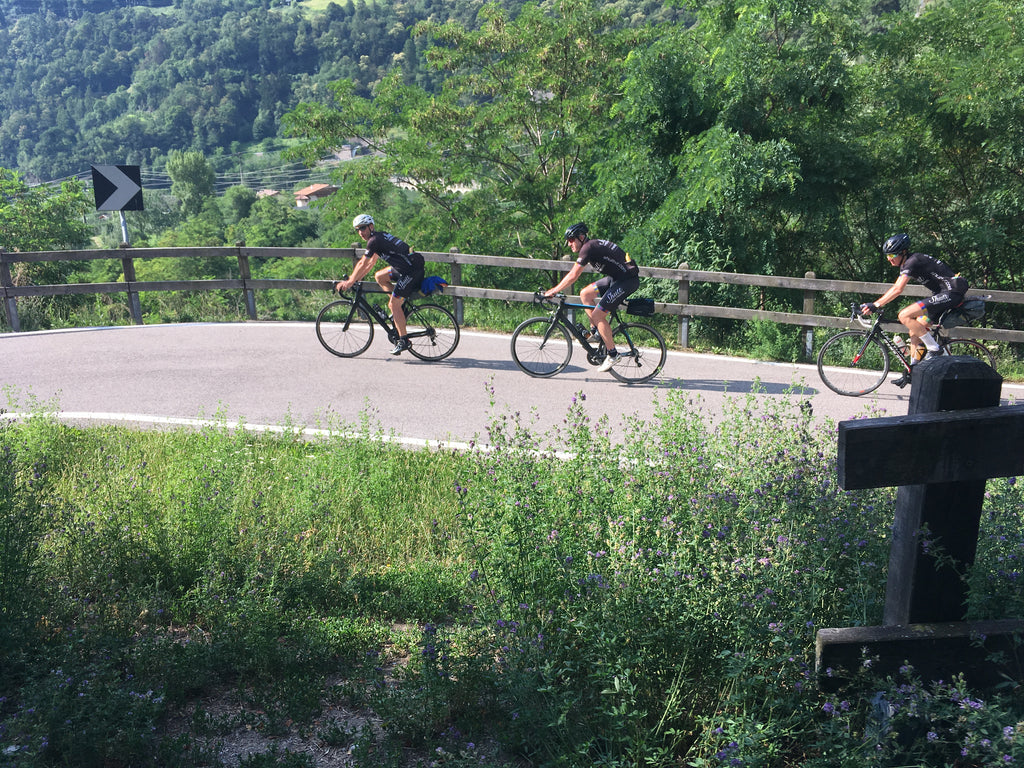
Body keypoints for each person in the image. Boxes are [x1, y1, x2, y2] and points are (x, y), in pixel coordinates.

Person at [860, 232, 969, 381]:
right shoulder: (907, 263)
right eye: (887, 256)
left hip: (951, 292)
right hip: (943, 294)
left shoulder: (913, 261)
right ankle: (913, 371)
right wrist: (877, 303)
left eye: (892, 256)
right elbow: (895, 287)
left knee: (904, 315)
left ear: (903, 252)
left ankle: (934, 349)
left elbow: (898, 289)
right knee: (915, 330)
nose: (889, 259)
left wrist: (876, 304)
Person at [544, 223, 640, 373]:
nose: (569, 244)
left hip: (626, 282)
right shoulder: (590, 246)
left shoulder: (587, 248)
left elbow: (573, 275)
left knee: (597, 314)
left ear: (581, 237)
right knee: (585, 294)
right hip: (617, 278)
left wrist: (554, 291)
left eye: (571, 239)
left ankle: (613, 354)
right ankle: (596, 332)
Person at [335, 214, 425, 355]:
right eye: (357, 230)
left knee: (393, 304)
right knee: (379, 276)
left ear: (371, 226)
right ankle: (399, 306)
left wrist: (350, 281)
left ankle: (404, 340)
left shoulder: (374, 241)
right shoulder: (378, 237)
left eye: (363, 228)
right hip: (406, 266)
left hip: (411, 271)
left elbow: (362, 263)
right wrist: (357, 278)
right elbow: (371, 263)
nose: (360, 232)